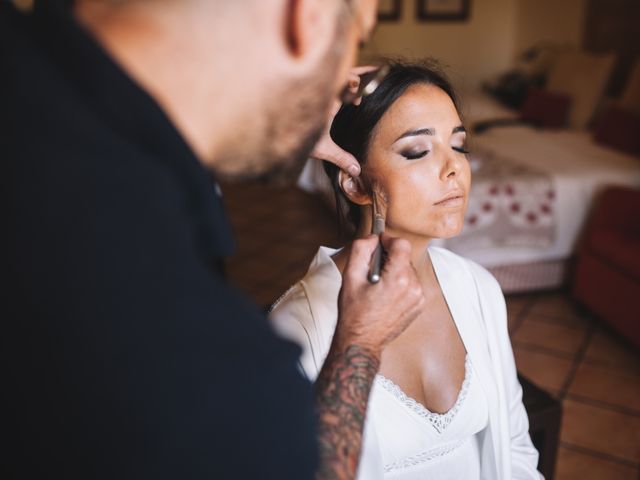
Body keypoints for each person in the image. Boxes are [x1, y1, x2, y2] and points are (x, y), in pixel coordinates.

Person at [1, 1, 427, 479]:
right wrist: (361, 343)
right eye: (357, 38)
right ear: (306, 18)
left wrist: (280, 107)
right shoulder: (203, 366)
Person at [270, 61, 543, 479]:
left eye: (459, 145)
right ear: (355, 183)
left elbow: (515, 448)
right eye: (417, 151)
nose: (453, 168)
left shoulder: (479, 289)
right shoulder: (298, 329)